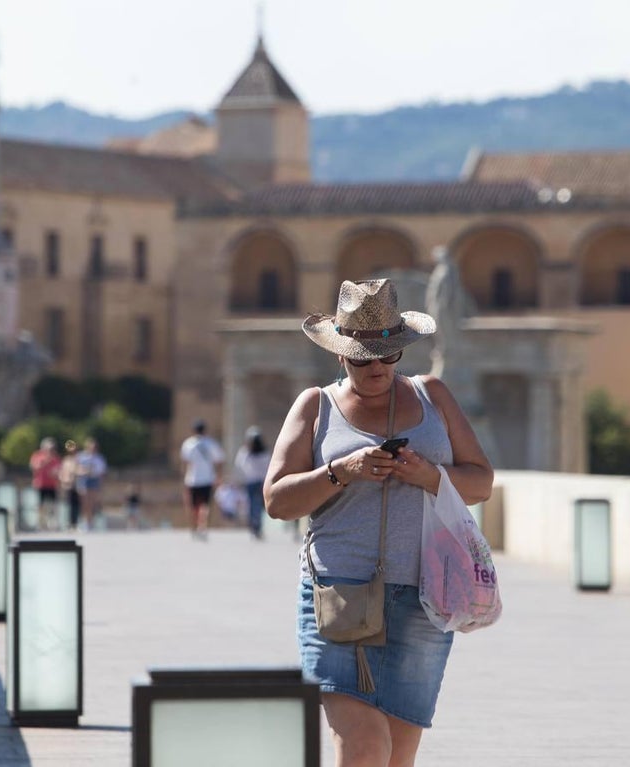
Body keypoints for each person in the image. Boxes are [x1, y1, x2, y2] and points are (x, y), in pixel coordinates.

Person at [264, 278, 493, 767]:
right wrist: (341, 471)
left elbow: (481, 482)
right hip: (339, 593)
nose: (377, 368)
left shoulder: (432, 395)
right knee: (366, 747)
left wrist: (430, 475)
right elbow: (277, 501)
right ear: (340, 354)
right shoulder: (316, 406)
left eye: (388, 355)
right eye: (363, 357)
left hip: (424, 596)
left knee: (396, 757)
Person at [179, 419, 224, 540]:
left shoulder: (188, 444)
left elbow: (185, 463)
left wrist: (184, 477)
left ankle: (194, 528)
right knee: (206, 506)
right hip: (208, 479)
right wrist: (218, 476)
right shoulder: (212, 443)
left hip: (192, 479)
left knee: (193, 506)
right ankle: (203, 528)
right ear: (205, 430)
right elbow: (219, 461)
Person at [234, 426, 272, 539]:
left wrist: (242, 477)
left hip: (252, 481)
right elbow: (269, 466)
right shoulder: (264, 452)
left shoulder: (245, 452)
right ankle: (256, 526)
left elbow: (239, 465)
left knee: (253, 505)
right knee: (258, 506)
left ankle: (254, 526)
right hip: (260, 482)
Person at [28, 437, 61, 530]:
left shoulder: (56, 458)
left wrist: (55, 473)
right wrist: (46, 461)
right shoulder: (37, 456)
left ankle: (53, 523)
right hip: (41, 484)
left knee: (53, 505)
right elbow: (35, 467)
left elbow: (58, 470)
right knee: (41, 505)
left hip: (52, 485)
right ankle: (41, 523)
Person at [75, 437, 107, 531]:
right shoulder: (81, 456)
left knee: (92, 503)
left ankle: (90, 522)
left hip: (94, 480)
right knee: (84, 502)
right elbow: (76, 468)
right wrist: (84, 471)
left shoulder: (99, 458)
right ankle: (84, 521)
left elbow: (102, 472)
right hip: (84, 479)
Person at [59, 440, 81, 530]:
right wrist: (64, 480)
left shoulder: (79, 460)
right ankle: (68, 523)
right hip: (68, 485)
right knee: (68, 505)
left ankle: (75, 523)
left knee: (76, 505)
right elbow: (62, 472)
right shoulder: (66, 460)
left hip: (78, 486)